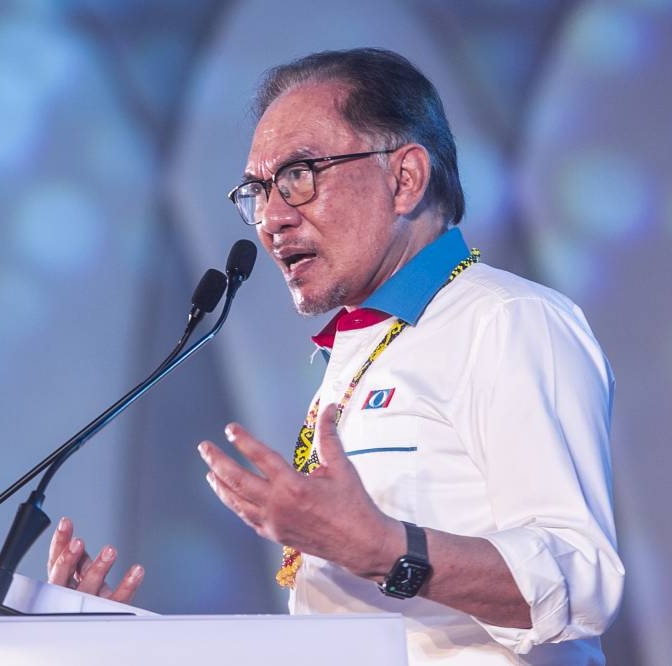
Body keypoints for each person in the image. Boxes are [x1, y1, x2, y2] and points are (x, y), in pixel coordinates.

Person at [46, 48, 623, 664]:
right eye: (257, 191)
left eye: (299, 175)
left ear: (405, 178)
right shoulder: (362, 348)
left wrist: (383, 549)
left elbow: (582, 579)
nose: (270, 218)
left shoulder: (506, 319)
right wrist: (112, 644)